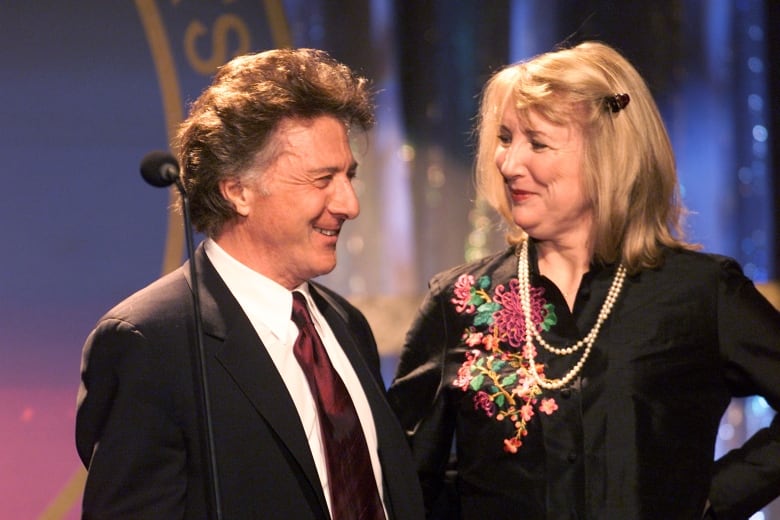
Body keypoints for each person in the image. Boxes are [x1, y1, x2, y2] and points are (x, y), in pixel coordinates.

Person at [387, 41, 780, 519]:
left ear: (607, 154)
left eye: (537, 142)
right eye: (505, 138)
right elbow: (401, 479)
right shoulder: (462, 302)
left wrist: (714, 498)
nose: (508, 163)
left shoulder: (700, 293)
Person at [76, 48, 424, 519]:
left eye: (349, 176)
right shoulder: (149, 343)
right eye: (322, 179)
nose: (349, 204)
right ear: (237, 189)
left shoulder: (344, 324)